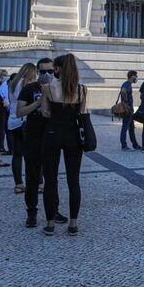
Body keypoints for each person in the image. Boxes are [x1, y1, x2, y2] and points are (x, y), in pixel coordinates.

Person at [40, 54, 88, 236]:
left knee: (50, 180)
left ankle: (50, 222)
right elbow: (83, 113)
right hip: (73, 136)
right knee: (73, 180)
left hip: (52, 133)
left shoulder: (48, 88)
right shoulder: (82, 90)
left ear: (58, 69)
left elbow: (45, 112)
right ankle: (73, 223)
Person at [17, 58, 56, 228]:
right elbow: (19, 111)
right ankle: (31, 211)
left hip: (52, 136)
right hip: (33, 135)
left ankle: (53, 210)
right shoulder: (29, 89)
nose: (46, 74)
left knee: (51, 177)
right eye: (42, 71)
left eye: (50, 71)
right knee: (32, 176)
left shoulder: (58, 88)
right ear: (37, 72)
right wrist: (40, 101)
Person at [7, 63, 36, 193]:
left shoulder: (12, 84)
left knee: (17, 154)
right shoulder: (27, 84)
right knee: (32, 154)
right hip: (25, 121)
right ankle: (38, 182)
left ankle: (18, 183)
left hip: (13, 121)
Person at [118, 70, 142, 151]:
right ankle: (124, 146)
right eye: (136, 76)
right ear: (132, 76)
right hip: (127, 110)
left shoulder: (127, 84)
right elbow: (123, 92)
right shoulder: (127, 85)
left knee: (131, 128)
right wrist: (126, 103)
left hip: (129, 110)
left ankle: (135, 145)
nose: (136, 78)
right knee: (125, 127)